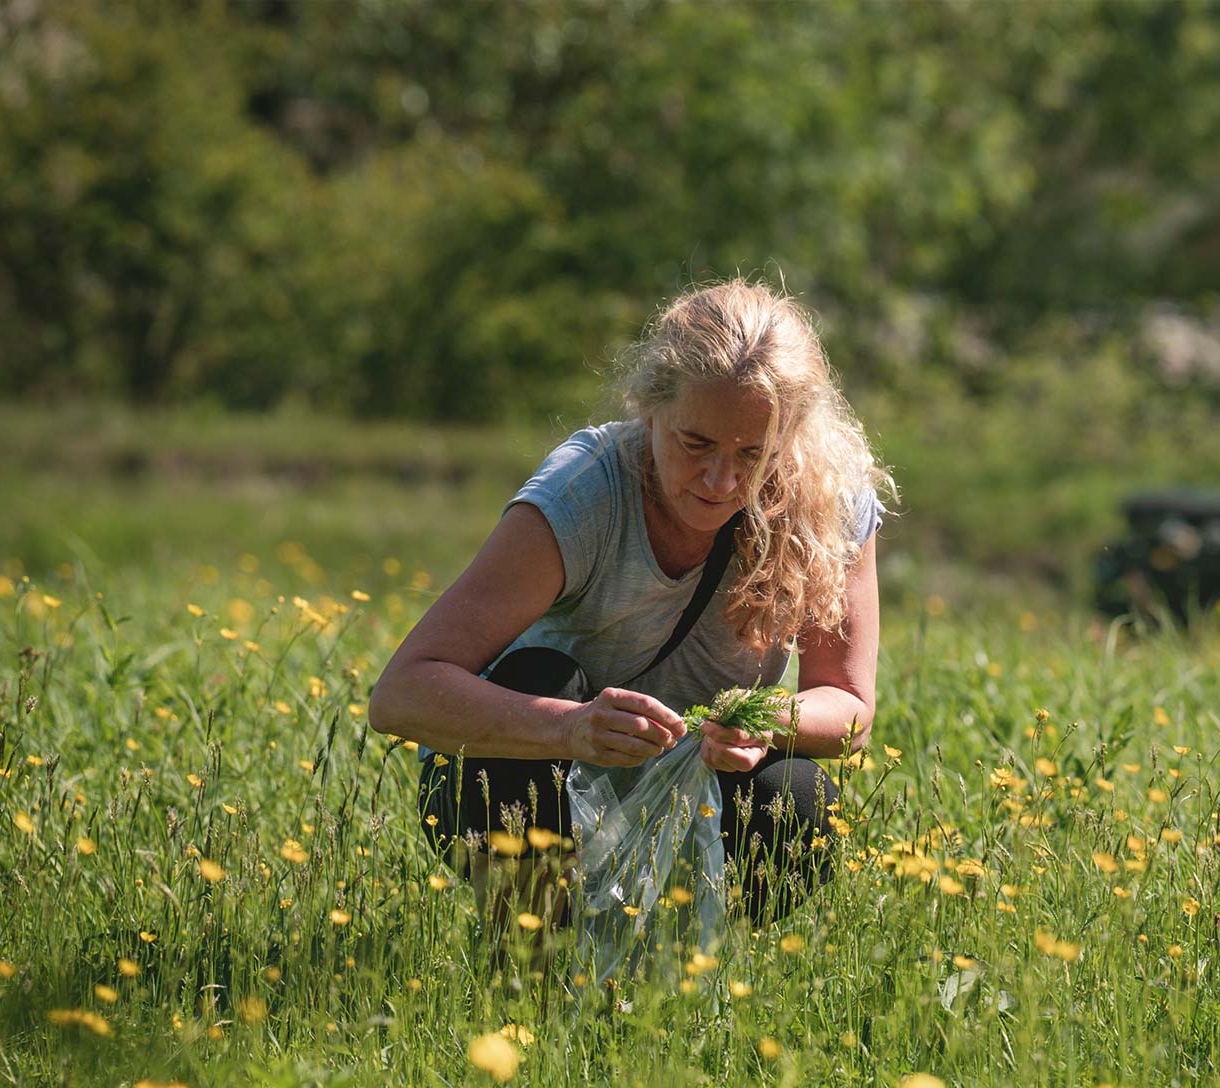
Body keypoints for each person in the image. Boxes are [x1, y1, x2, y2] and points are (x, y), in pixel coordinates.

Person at [369, 279, 890, 924]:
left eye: (754, 455)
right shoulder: (585, 495)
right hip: (528, 776)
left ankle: (689, 983)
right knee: (540, 678)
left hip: (692, 785)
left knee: (798, 795)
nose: (722, 480)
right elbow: (401, 694)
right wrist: (570, 727)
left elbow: (849, 707)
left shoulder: (826, 499)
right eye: (696, 444)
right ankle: (533, 972)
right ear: (650, 410)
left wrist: (765, 722)